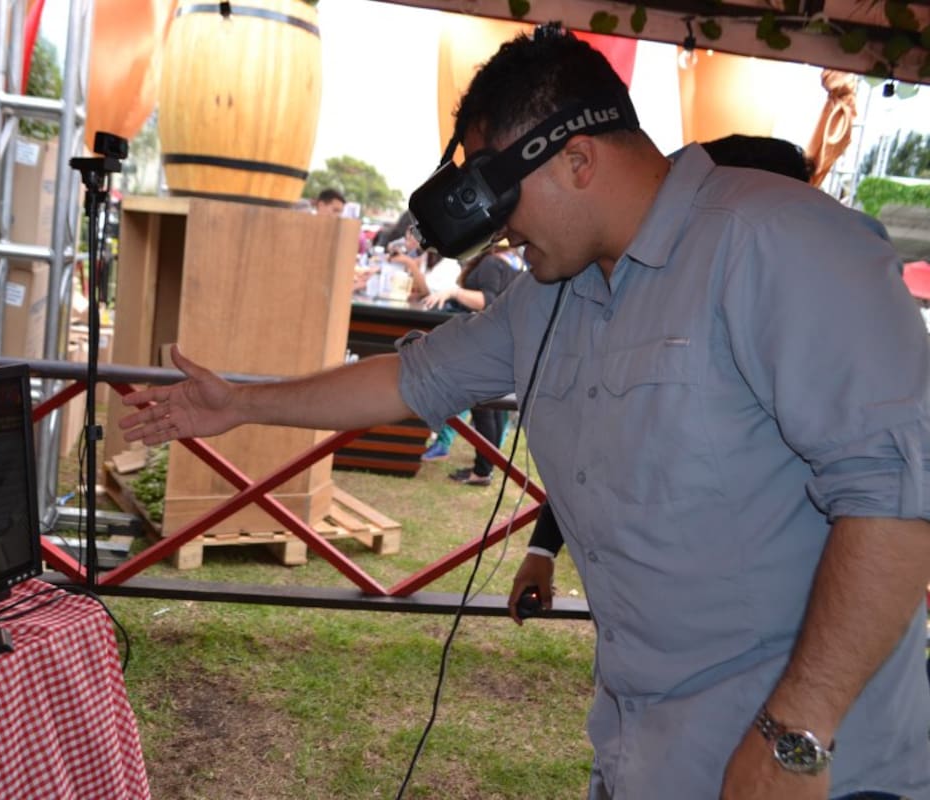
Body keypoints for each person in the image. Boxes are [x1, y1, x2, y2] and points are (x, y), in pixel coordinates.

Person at [120, 31, 930, 800]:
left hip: (810, 770)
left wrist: (798, 732)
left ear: (578, 159)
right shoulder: (549, 295)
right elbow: (410, 381)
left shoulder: (778, 241)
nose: (499, 227)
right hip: (644, 755)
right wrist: (240, 404)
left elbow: (898, 502)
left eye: (501, 194)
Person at [520, 132, 822, 609]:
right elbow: (601, 446)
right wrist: (542, 547)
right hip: (663, 617)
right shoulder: (638, 298)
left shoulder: (814, 314)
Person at [420, 243, 525, 485]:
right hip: (502, 342)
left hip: (488, 343)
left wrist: (454, 292)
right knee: (491, 410)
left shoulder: (491, 262)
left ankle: (482, 470)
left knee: (484, 408)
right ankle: (484, 468)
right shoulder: (512, 261)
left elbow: (488, 299)